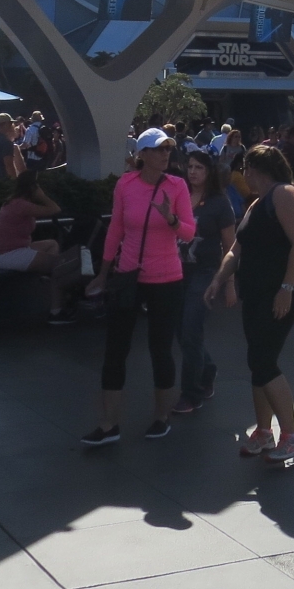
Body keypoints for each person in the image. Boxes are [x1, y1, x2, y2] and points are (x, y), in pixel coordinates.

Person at [81, 129, 195, 446]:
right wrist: (104, 273)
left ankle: (161, 417)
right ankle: (108, 424)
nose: (165, 154)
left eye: (168, 149)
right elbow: (116, 229)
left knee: (161, 349)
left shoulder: (177, 186)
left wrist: (171, 219)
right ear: (142, 154)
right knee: (116, 349)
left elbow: (188, 232)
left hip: (166, 278)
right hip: (129, 275)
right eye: (158, 149)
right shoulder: (126, 185)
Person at [205, 143, 294, 463]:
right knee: (258, 361)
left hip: (279, 293)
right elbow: (236, 250)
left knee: (263, 360)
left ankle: (291, 436)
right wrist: (219, 279)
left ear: (253, 169)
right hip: (256, 294)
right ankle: (263, 431)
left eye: (245, 169)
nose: (243, 174)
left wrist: (287, 288)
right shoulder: (256, 204)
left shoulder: (284, 195)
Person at [172, 150, 236, 414]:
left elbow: (230, 246)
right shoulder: (180, 196)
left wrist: (229, 283)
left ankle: (191, 393)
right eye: (190, 167)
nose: (193, 172)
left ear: (209, 172)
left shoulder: (219, 203)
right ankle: (207, 369)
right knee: (181, 331)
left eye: (199, 167)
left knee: (191, 328)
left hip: (205, 272)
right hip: (176, 271)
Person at [0, 171, 81, 323]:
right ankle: (56, 312)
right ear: (32, 188)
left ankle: (51, 279)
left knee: (52, 244)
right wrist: (42, 196)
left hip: (14, 249)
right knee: (59, 265)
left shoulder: (14, 201)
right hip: (8, 254)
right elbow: (55, 208)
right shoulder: (22, 205)